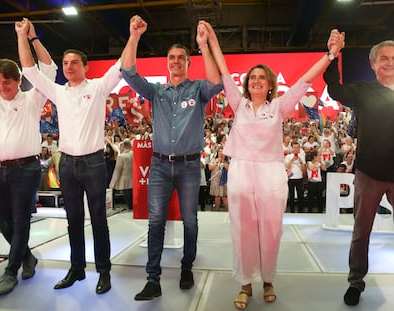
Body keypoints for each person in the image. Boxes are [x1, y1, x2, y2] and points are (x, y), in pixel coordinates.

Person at [201, 21, 345, 310]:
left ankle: (267, 280)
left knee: (270, 229)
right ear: (247, 84)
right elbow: (224, 68)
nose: (255, 81)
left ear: (269, 85)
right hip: (241, 170)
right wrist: (208, 41)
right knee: (243, 230)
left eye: (261, 78)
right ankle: (245, 284)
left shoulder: (279, 107)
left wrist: (330, 55)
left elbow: (305, 80)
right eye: (252, 77)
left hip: (270, 173)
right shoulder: (238, 104)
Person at [16, 18, 123, 295]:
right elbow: (29, 69)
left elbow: (122, 65)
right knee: (73, 219)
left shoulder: (98, 87)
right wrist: (25, 37)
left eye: (74, 62)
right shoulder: (58, 92)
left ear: (85, 67)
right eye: (65, 63)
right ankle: (76, 269)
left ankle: (103, 271)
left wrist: (133, 36)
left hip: (94, 162)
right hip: (68, 164)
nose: (68, 67)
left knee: (99, 219)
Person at [120, 15, 223, 300]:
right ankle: (152, 279)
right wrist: (134, 36)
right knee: (156, 222)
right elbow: (128, 72)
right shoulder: (156, 92)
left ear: (188, 63)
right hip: (160, 165)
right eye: (172, 58)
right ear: (167, 63)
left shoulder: (198, 89)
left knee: (190, 221)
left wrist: (203, 46)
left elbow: (217, 81)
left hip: (190, 166)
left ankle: (186, 267)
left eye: (181, 57)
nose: (176, 61)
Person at [0, 19, 57, 296]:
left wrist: (29, 38)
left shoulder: (31, 99)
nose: (2, 87)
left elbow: (49, 69)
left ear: (19, 80)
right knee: (1, 221)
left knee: (21, 220)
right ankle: (27, 256)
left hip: (26, 169)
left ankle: (10, 270)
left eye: (8, 82)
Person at [323, 35, 394, 307]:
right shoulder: (363, 90)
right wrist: (334, 52)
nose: (389, 63)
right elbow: (334, 90)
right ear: (373, 63)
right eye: (384, 58)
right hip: (369, 173)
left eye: (393, 59)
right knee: (361, 232)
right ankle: (356, 282)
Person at [109, 138, 133, 210]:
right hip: (134, 181)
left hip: (125, 182)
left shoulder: (121, 157)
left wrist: (112, 184)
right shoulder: (134, 153)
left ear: (123, 146)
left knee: (129, 204)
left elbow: (117, 171)